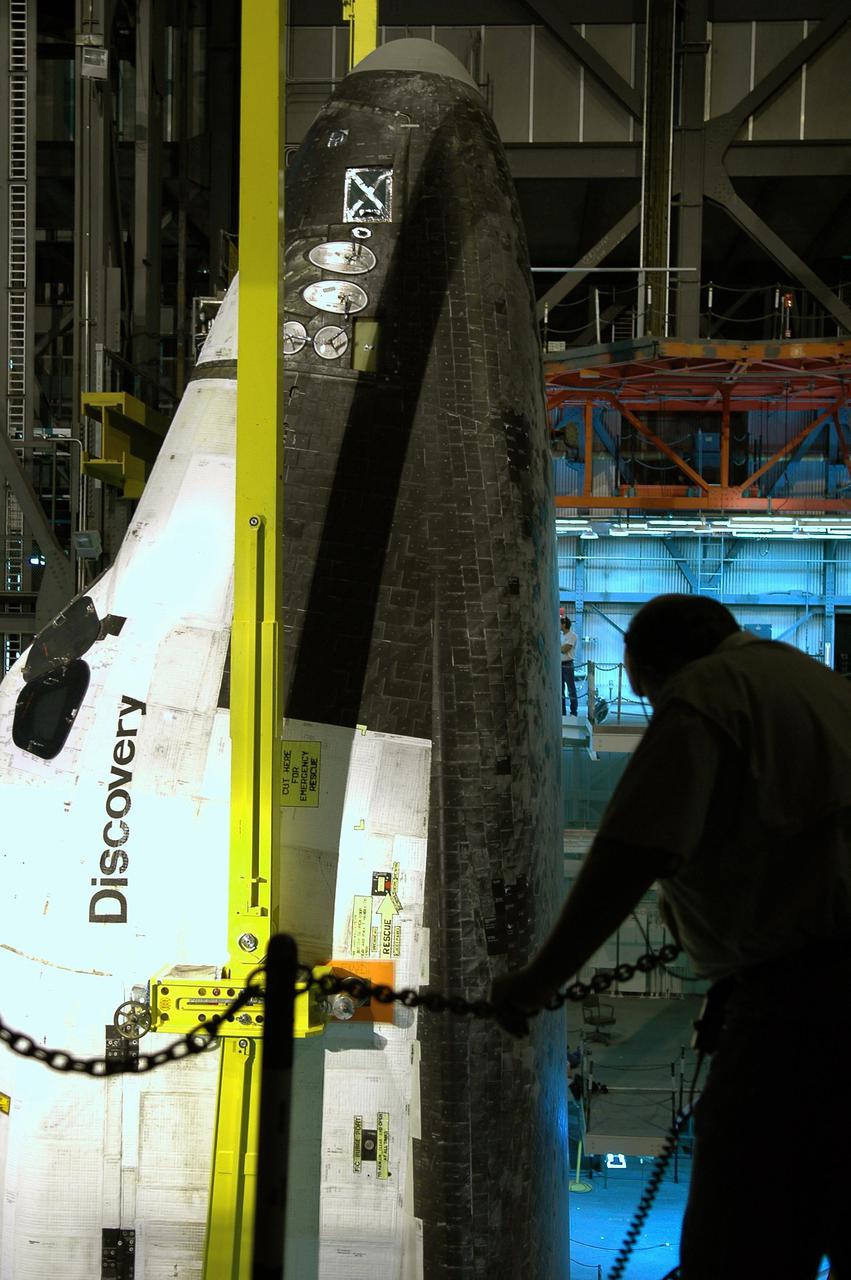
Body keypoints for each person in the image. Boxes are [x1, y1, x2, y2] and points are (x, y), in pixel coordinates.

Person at [492, 593, 851, 1279]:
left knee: (739, 1233)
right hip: (817, 988)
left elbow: (632, 849)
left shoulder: (705, 693)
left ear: (657, 667)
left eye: (647, 695)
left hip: (799, 1006)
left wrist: (541, 979)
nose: (654, 709)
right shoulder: (813, 685)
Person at [560, 615, 578, 716]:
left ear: (564, 624)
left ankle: (573, 712)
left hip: (568, 664)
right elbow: (561, 648)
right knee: (560, 689)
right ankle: (562, 712)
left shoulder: (573, 635)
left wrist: (558, 647)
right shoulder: (560, 636)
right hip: (559, 664)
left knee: (571, 689)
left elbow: (564, 649)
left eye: (559, 623)